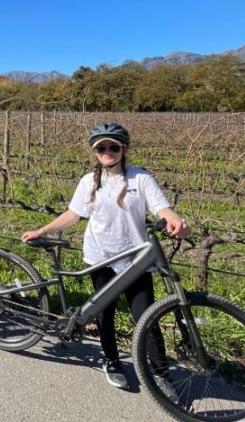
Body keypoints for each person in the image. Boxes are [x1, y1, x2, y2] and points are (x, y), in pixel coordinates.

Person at [21, 122, 189, 391]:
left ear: (124, 149)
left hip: (135, 261)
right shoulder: (89, 181)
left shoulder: (140, 179)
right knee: (104, 315)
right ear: (95, 152)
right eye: (102, 147)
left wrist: (175, 221)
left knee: (146, 316)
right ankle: (111, 359)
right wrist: (41, 230)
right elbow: (73, 215)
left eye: (113, 146)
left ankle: (161, 374)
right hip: (100, 258)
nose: (107, 151)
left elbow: (163, 208)